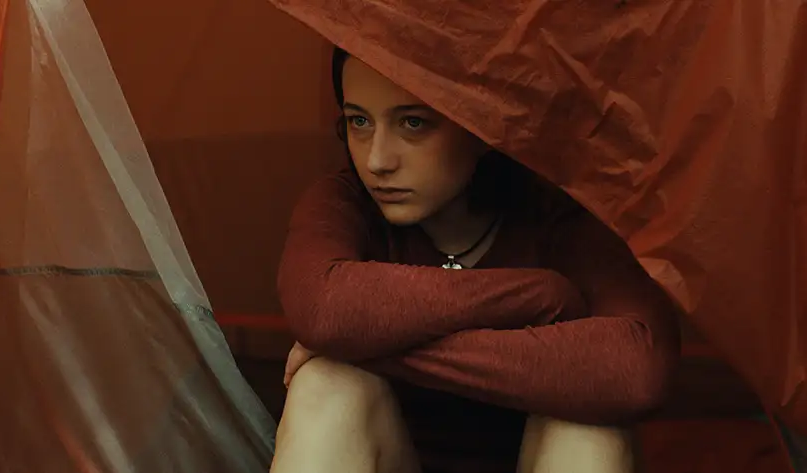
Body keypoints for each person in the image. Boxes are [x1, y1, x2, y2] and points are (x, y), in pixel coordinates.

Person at [270, 48, 681, 473]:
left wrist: (365, 346)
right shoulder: (344, 202)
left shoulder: (561, 216)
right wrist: (540, 292)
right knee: (326, 385)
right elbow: (321, 309)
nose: (377, 161)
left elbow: (638, 369)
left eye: (413, 123)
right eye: (359, 121)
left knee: (591, 424)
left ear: (480, 127)